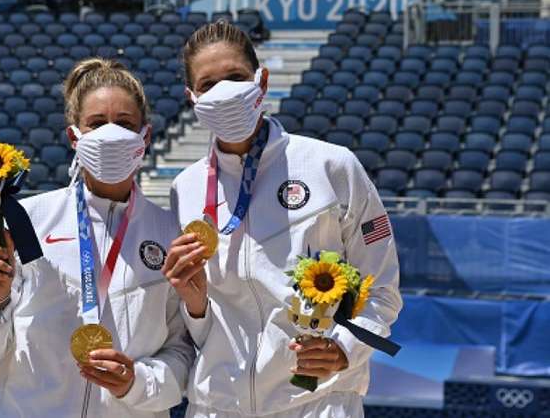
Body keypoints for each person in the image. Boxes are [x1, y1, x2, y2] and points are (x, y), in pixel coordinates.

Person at [163, 21, 402, 417]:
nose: (223, 91)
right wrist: (195, 306)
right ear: (192, 97)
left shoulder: (331, 166)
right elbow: (198, 325)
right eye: (207, 84)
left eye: (236, 77)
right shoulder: (185, 189)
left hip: (316, 402)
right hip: (217, 406)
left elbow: (382, 289)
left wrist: (345, 349)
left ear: (262, 81)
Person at [0, 58, 195, 417]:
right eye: (97, 123)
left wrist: (138, 383)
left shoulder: (168, 232)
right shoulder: (27, 222)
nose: (111, 134)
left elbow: (181, 352)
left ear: (144, 137)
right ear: (74, 136)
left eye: (125, 123)